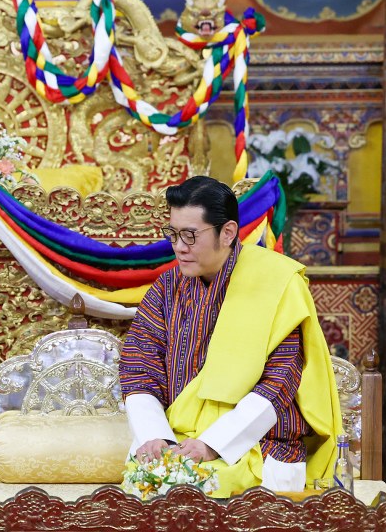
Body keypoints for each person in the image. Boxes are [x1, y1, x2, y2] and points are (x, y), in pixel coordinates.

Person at [119, 176, 342, 497]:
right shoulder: (166, 290)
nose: (179, 247)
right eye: (173, 234)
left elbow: (280, 381)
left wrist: (212, 444)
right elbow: (140, 369)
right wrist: (155, 438)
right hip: (175, 439)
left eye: (190, 236)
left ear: (227, 232)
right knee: (150, 484)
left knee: (200, 490)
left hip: (258, 444)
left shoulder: (276, 284)